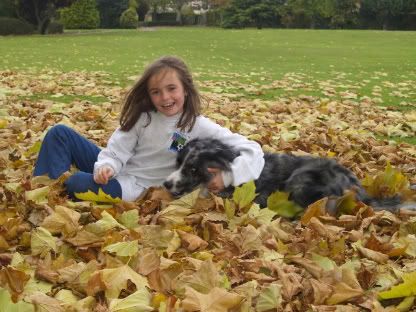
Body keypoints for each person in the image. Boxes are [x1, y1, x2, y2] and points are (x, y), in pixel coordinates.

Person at [33, 56, 265, 202]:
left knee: (76, 184)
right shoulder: (142, 118)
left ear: (185, 89)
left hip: (136, 187)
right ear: (149, 94)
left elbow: (253, 149)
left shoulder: (198, 126)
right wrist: (106, 167)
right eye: (156, 92)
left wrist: (228, 175)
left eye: (171, 88)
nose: (165, 98)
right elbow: (116, 151)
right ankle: (42, 193)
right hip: (116, 170)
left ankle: (60, 190)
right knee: (59, 133)